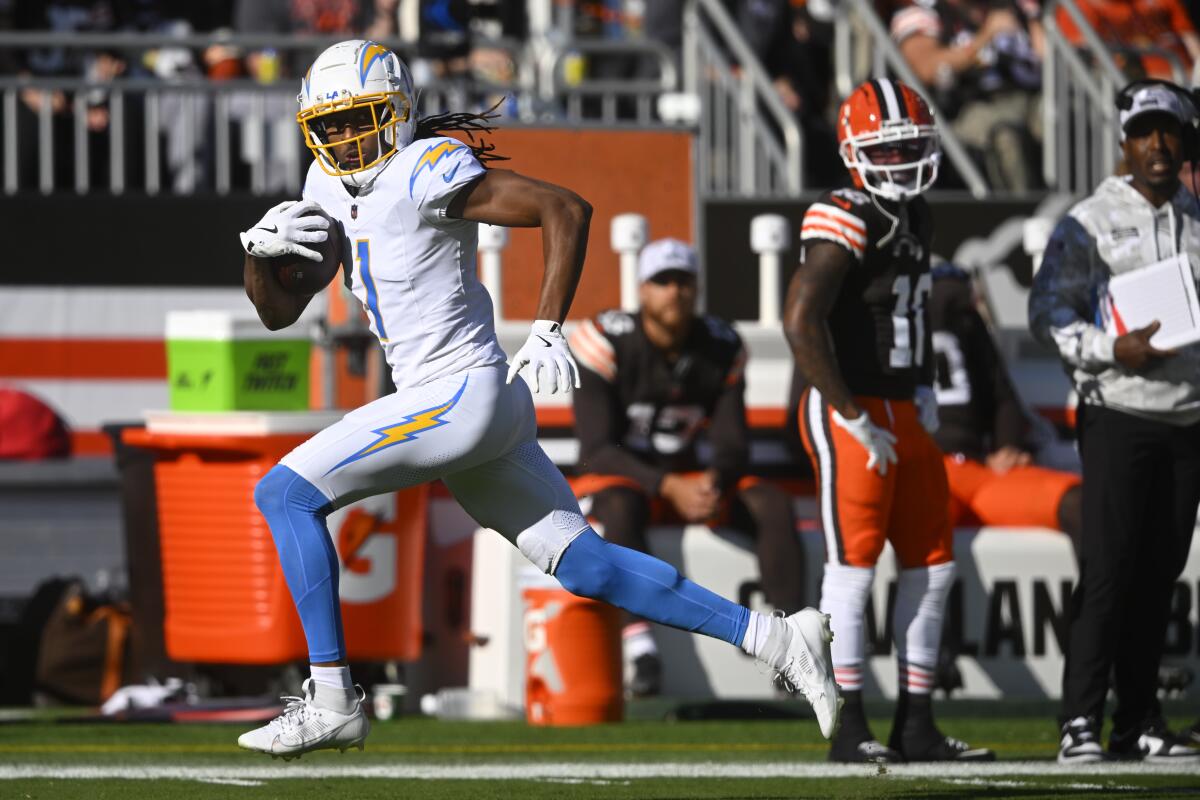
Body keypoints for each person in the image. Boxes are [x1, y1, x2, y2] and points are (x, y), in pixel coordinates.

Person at [234, 39, 840, 759]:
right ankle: (777, 636)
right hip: (465, 407)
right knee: (589, 566)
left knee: (284, 494)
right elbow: (279, 310)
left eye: (357, 118)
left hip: (459, 395)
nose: (342, 137)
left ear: (395, 111)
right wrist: (258, 257)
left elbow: (565, 208)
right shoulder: (327, 183)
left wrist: (548, 327)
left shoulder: (426, 167)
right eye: (328, 126)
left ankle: (332, 698)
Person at [783, 77, 994, 764]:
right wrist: (848, 411)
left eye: (910, 145)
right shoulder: (842, 213)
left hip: (902, 404)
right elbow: (800, 320)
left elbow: (909, 314)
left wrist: (924, 385)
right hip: (851, 407)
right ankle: (847, 729)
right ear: (852, 150)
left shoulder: (917, 212)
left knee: (932, 564)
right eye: (888, 148)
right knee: (853, 569)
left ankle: (917, 724)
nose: (902, 159)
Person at [1029, 80, 1200, 764]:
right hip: (1118, 414)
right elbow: (1047, 315)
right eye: (1145, 132)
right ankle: (1079, 722)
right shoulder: (1089, 220)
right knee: (1107, 571)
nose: (1157, 145)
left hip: (1188, 422)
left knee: (1161, 574)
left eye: (1170, 132)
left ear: (1186, 142)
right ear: (1124, 142)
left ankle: (1139, 722)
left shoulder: (1197, 220)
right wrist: (1111, 349)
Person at [569, 238, 806, 697]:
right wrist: (667, 483)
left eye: (682, 282)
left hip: (687, 479)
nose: (673, 292)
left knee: (771, 504)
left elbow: (732, 441)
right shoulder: (605, 338)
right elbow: (596, 449)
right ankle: (640, 650)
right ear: (642, 290)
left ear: (696, 288)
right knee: (618, 505)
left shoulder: (719, 344)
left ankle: (791, 645)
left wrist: (717, 480)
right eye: (662, 281)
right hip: (627, 478)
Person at [930, 262, 1083, 549]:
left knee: (1081, 505)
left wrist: (1008, 448)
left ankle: (1098, 595)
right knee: (922, 531)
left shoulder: (966, 324)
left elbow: (1002, 396)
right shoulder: (896, 324)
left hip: (978, 472)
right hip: (928, 475)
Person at [891, 0, 1043, 192]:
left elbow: (1049, 54)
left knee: (1062, 117)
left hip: (1029, 97)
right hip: (968, 108)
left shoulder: (1016, 6)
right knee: (1007, 136)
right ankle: (1029, 216)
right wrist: (986, 36)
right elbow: (926, 67)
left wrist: (1033, 21)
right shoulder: (922, 12)